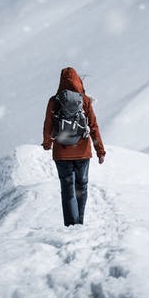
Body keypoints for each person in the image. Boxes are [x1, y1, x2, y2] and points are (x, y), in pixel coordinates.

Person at [42, 67, 106, 227]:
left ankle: (71, 225)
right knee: (81, 187)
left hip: (61, 153)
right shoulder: (84, 100)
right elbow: (93, 126)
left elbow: (48, 125)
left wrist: (47, 143)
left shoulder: (54, 101)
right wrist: (100, 150)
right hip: (83, 153)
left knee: (67, 188)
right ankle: (80, 223)